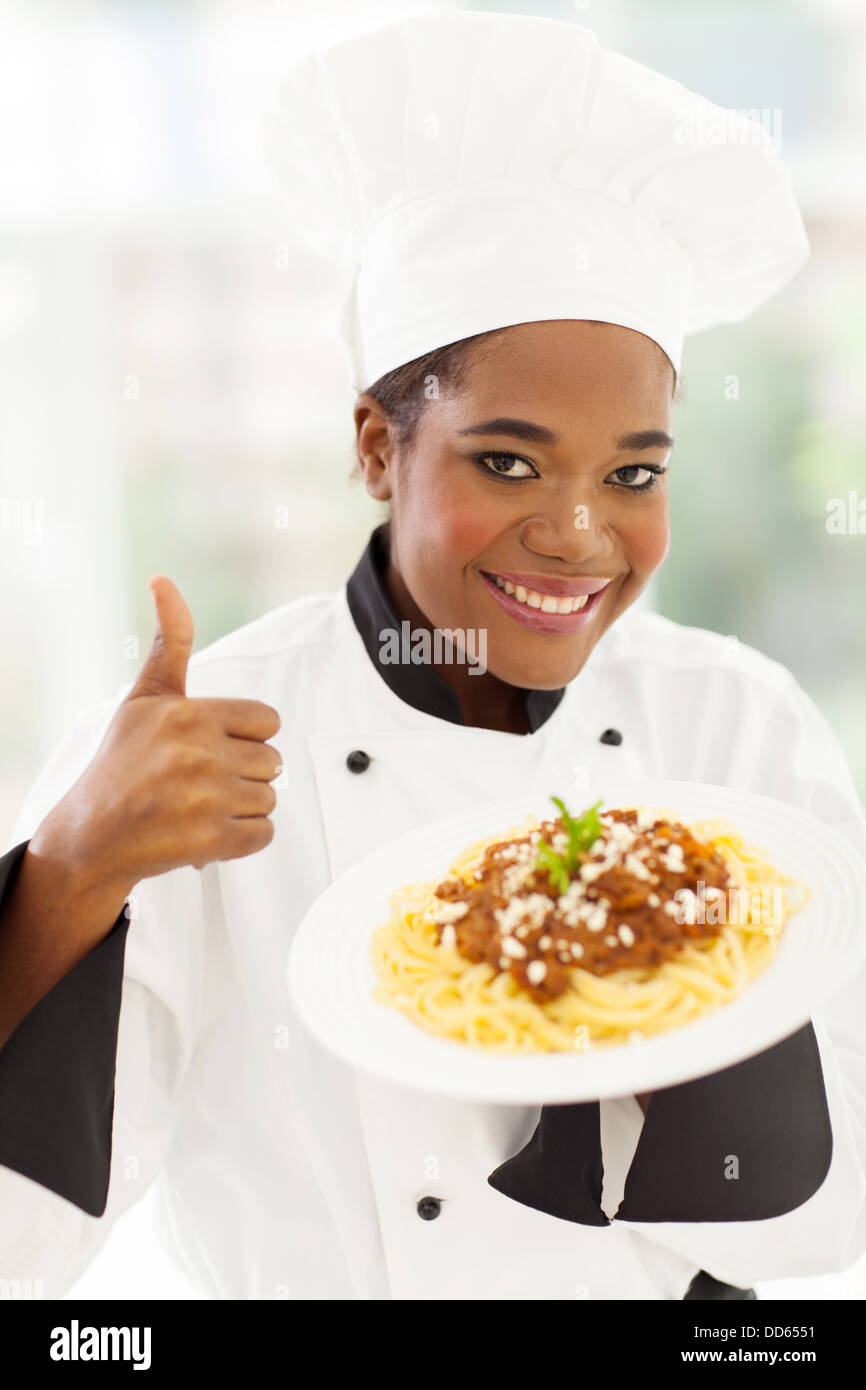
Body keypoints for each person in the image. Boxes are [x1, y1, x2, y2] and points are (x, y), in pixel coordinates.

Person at [1, 11, 865, 1302]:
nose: (577, 535)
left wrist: (658, 971)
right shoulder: (198, 749)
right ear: (373, 446)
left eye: (632, 473)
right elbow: (22, 1250)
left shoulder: (734, 727)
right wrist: (72, 867)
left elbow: (819, 1220)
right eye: (504, 461)